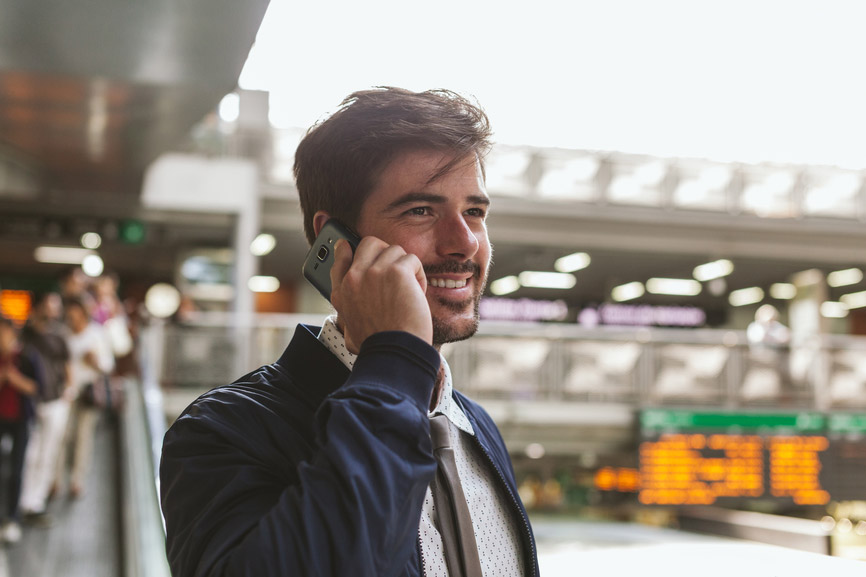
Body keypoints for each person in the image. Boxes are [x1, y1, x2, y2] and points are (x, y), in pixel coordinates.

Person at [160, 87, 539, 576]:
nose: (465, 241)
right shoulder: (223, 432)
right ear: (335, 243)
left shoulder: (476, 426)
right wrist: (397, 358)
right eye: (420, 210)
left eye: (475, 212)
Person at [19, 292, 72, 524]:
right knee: (29, 453)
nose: (54, 310)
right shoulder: (26, 334)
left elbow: (67, 364)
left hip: (55, 399)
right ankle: (23, 500)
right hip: (29, 401)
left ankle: (36, 501)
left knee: (48, 452)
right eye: (51, 305)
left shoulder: (59, 335)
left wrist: (67, 391)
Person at [56, 297, 114, 498]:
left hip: (88, 393)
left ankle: (76, 480)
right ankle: (56, 479)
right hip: (66, 392)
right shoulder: (64, 335)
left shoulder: (96, 335)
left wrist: (94, 361)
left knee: (83, 436)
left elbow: (108, 365)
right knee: (63, 436)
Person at [0, 316, 42, 544]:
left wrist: (13, 378)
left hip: (19, 419)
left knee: (16, 470)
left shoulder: (26, 356)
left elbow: (37, 387)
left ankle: (12, 518)